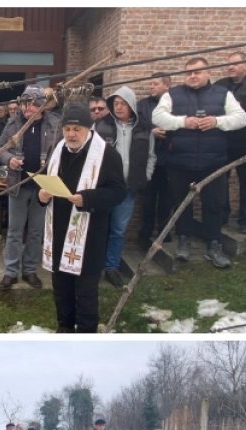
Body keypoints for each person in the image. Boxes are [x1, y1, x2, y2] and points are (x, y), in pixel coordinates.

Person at [38, 102, 125, 333]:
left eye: (77, 129)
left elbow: (118, 192)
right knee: (61, 286)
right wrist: (42, 195)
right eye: (67, 129)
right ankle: (64, 326)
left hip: (89, 233)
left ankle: (86, 330)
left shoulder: (107, 154)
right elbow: (45, 178)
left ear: (89, 129)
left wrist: (87, 198)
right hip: (58, 228)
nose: (71, 134)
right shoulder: (57, 150)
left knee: (86, 290)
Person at [152, 57, 246, 268]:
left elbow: (241, 118)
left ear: (208, 73)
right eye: (188, 72)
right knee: (181, 203)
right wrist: (182, 122)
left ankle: (214, 244)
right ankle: (183, 240)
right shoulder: (173, 94)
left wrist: (217, 121)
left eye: (197, 72)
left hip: (213, 162)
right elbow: (157, 117)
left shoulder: (223, 94)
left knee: (213, 205)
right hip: (179, 161)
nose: (192, 76)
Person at [0, 86, 61, 290]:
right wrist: (9, 160)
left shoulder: (55, 124)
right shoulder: (13, 122)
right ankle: (10, 272)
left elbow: (63, 151)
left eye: (33, 104)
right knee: (15, 231)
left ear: (42, 106)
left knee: (35, 231)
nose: (28, 108)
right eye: (25, 103)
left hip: (43, 187)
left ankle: (30, 270)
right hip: (19, 184)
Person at [94, 86, 155, 288]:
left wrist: (144, 177)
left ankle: (111, 267)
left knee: (118, 230)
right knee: (99, 227)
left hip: (128, 189)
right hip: (104, 187)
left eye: (123, 104)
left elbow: (151, 156)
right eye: (115, 104)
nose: (118, 107)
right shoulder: (101, 126)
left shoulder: (143, 129)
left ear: (132, 106)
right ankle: (94, 266)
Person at [214, 52, 246, 235]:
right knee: (220, 180)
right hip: (223, 141)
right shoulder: (220, 86)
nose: (231, 67)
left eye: (235, 64)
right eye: (229, 64)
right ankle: (221, 216)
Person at [136, 73, 174, 250]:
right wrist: (151, 131)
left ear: (167, 86)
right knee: (148, 200)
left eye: (155, 84)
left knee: (167, 199)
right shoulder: (142, 105)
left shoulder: (175, 104)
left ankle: (164, 234)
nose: (151, 87)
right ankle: (145, 236)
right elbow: (136, 125)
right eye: (150, 84)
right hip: (148, 160)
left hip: (169, 159)